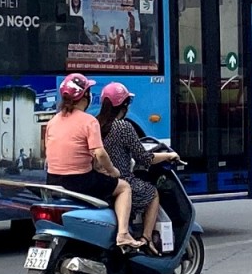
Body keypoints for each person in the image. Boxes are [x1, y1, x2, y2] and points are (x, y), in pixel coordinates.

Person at [44, 73, 144, 250]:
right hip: (79, 182)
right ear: (85, 96)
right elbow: (100, 153)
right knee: (123, 187)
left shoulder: (53, 121)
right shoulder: (89, 121)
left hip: (53, 181)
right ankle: (123, 234)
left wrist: (96, 166)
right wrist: (113, 171)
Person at [97, 83, 180, 255]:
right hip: (121, 179)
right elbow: (145, 158)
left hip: (99, 181)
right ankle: (146, 239)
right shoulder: (123, 127)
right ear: (124, 105)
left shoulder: (95, 124)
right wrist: (168, 156)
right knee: (152, 193)